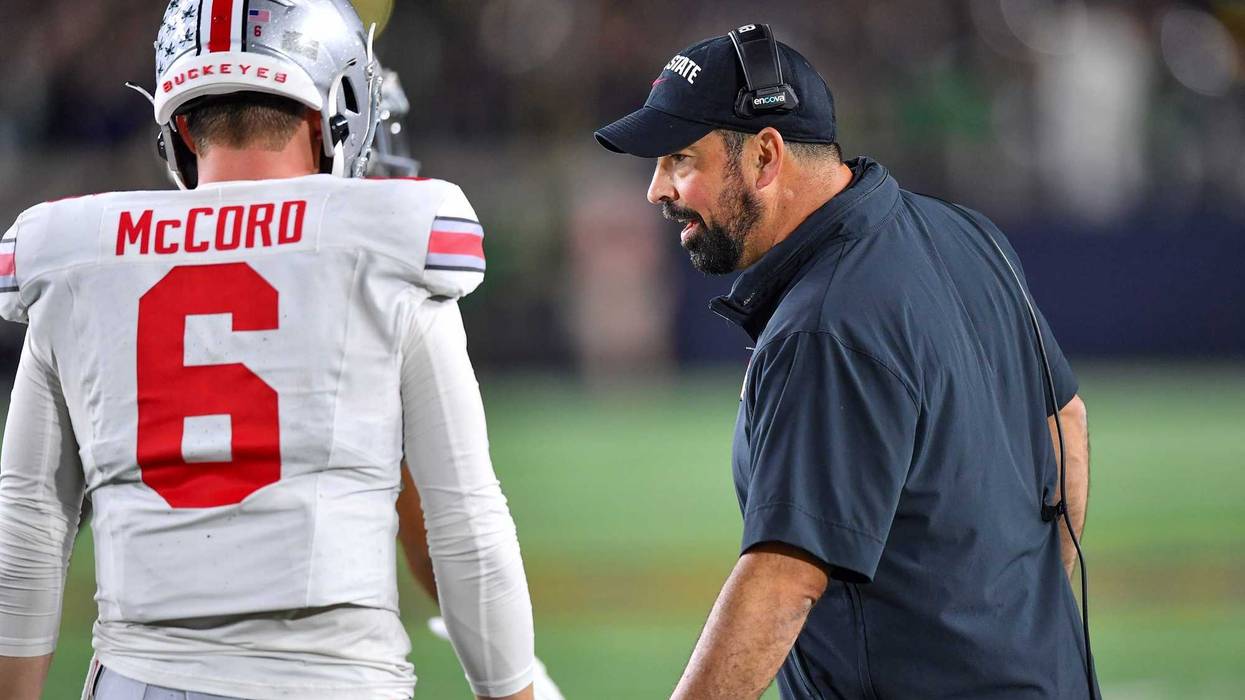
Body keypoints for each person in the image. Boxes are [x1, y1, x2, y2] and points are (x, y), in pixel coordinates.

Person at [0, 1, 535, 699]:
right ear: (326, 116)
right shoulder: (389, 243)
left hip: (141, 680)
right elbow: (463, 521)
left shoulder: (73, 259)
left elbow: (29, 527)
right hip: (335, 680)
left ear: (182, 127)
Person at [595, 24, 1097, 699]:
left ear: (764, 157)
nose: (657, 189)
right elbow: (1064, 420)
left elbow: (783, 579)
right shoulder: (966, 236)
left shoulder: (825, 324)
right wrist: (1013, 629)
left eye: (680, 159)